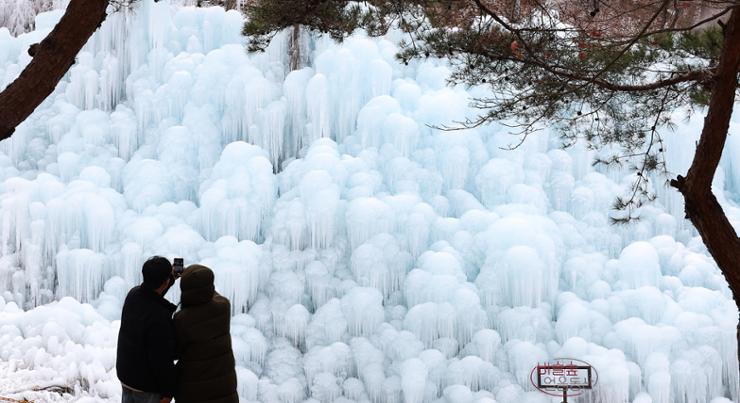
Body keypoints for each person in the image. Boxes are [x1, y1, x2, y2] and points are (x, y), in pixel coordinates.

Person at [116, 256, 179, 403]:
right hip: (146, 385)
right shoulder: (159, 316)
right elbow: (161, 358)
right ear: (165, 281)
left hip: (127, 376)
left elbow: (151, 295)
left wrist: (170, 280)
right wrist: (168, 392)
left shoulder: (133, 294)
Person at [174, 264, 238, 403]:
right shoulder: (223, 306)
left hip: (194, 390)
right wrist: (197, 278)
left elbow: (174, 352)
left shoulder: (182, 319)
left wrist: (184, 277)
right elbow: (208, 293)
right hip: (224, 388)